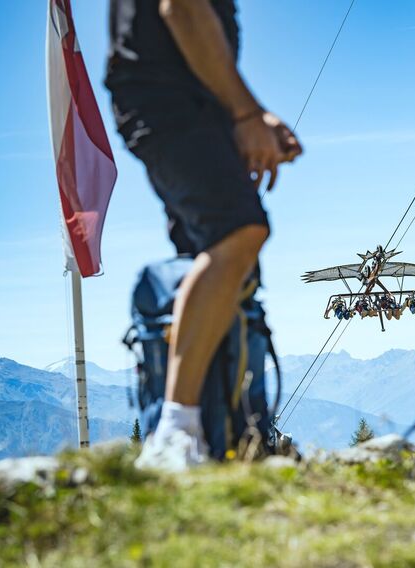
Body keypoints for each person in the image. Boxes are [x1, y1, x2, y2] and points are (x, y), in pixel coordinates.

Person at [107, 0, 302, 471]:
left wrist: (250, 116)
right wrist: (246, 113)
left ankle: (221, 430)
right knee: (238, 230)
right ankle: (175, 433)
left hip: (184, 101)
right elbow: (184, 9)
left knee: (215, 260)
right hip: (169, 99)